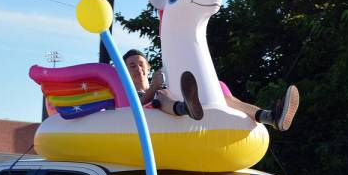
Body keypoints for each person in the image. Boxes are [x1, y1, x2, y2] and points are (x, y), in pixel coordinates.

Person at [122, 49, 299, 131]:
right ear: (124, 70)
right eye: (132, 66)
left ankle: (270, 117)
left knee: (220, 90)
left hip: (180, 116)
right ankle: (185, 108)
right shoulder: (125, 91)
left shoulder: (164, 87)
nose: (138, 69)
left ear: (148, 67)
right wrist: (154, 88)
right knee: (161, 96)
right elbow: (131, 110)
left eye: (141, 64)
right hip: (154, 119)